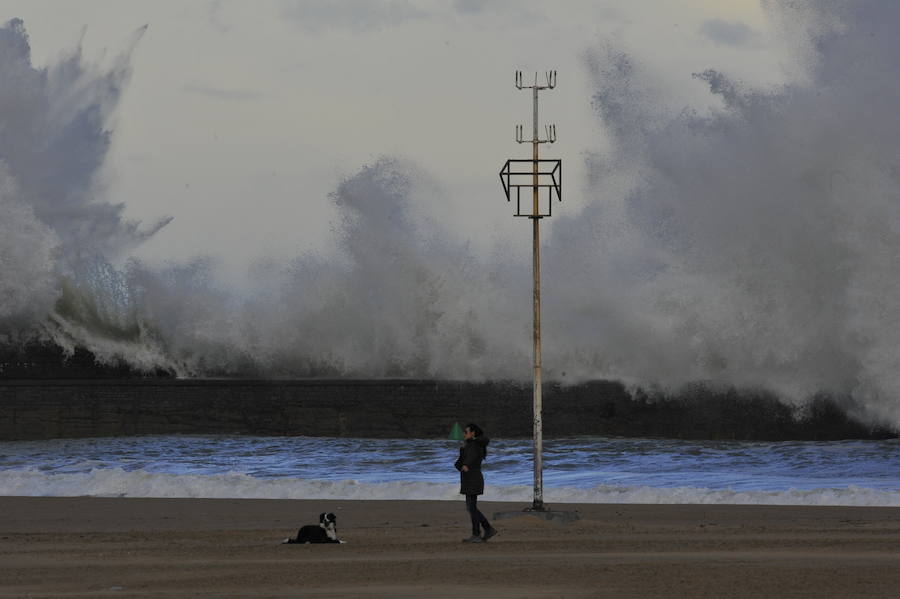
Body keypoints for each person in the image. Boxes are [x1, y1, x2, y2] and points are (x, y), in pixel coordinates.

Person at [454, 423, 498, 543]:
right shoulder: (470, 445)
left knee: (471, 508)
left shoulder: (475, 445)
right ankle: (487, 530)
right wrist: (462, 450)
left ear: (473, 433)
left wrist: (467, 465)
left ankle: (478, 534)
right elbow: (459, 463)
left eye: (466, 431)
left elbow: (472, 458)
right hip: (469, 478)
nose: (464, 434)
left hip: (473, 478)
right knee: (471, 507)